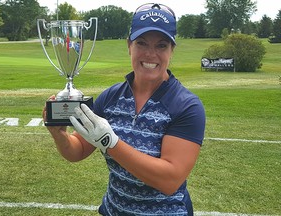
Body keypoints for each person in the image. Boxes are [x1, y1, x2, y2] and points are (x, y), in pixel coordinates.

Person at [43, 3, 206, 215]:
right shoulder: (111, 97)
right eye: (142, 43)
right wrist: (59, 135)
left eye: (161, 45)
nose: (150, 54)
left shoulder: (187, 106)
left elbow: (169, 180)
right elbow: (78, 150)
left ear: (172, 50)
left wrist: (111, 143)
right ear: (129, 45)